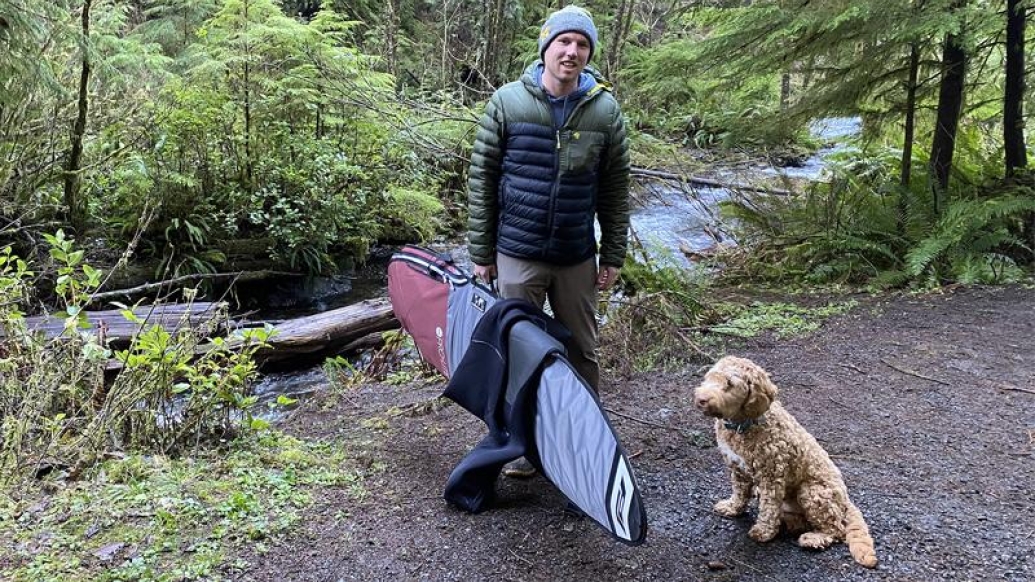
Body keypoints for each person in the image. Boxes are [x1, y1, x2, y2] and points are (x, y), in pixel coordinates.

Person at [466, 5, 630, 478]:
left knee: (582, 350)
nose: (572, 52)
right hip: (516, 252)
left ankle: (586, 442)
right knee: (520, 351)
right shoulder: (507, 103)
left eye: (582, 45)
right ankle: (524, 444)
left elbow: (615, 190)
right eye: (564, 42)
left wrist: (612, 254)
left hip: (576, 256)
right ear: (547, 47)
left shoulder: (604, 111)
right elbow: (482, 180)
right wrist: (482, 253)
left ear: (589, 53)